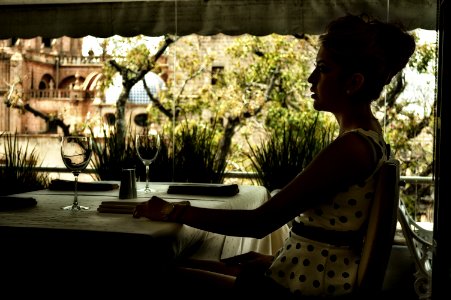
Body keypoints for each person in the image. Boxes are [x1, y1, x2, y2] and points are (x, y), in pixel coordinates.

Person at [132, 13, 416, 298]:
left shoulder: (352, 149)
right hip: (301, 274)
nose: (311, 78)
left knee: (158, 275)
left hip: (301, 288)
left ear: (353, 83)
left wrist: (172, 211)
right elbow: (333, 235)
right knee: (178, 264)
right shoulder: (367, 138)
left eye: (323, 69)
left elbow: (259, 223)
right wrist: (277, 260)